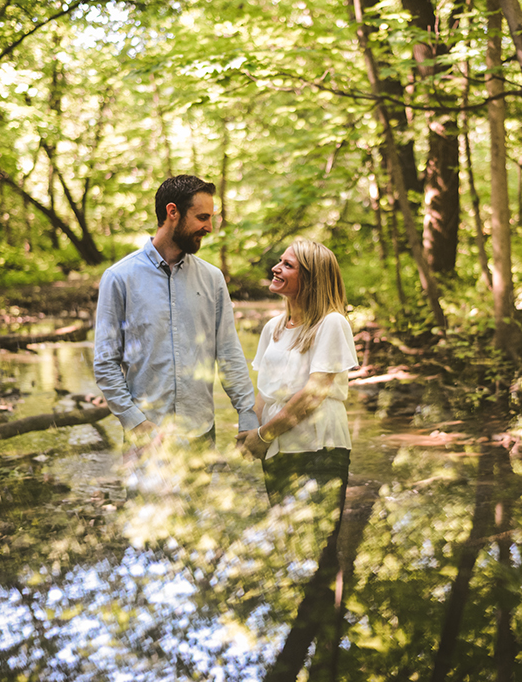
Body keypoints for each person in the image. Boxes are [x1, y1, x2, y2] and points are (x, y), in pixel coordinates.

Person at [93, 174, 258, 461]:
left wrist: (247, 413)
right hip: (145, 439)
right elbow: (106, 362)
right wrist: (135, 422)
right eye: (202, 217)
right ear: (173, 212)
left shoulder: (212, 279)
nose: (209, 227)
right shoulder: (119, 278)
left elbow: (229, 352)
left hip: (200, 435)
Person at [236, 239, 359, 505]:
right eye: (279, 261)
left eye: (287, 265)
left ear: (311, 279)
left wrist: (263, 434)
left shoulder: (331, 323)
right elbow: (265, 393)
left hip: (318, 448)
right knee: (284, 539)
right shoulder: (273, 328)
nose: (276, 268)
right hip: (276, 446)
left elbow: (313, 395)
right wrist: (249, 432)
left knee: (318, 543)